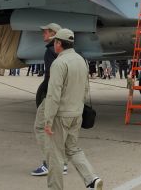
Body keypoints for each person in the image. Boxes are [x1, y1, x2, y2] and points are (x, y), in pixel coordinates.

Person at [43, 29, 102, 189]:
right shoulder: (81, 60)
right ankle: (92, 180)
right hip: (77, 113)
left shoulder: (59, 63)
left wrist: (48, 119)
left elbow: (53, 95)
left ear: (59, 44)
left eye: (55, 41)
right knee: (73, 149)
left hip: (61, 116)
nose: (53, 44)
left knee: (54, 155)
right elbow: (85, 89)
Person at [32, 23, 65, 177]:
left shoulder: (50, 52)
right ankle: (61, 163)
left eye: (45, 32)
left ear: (53, 34)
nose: (42, 34)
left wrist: (49, 96)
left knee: (40, 127)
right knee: (56, 130)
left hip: (52, 96)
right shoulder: (67, 52)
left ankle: (49, 163)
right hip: (65, 96)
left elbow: (54, 77)